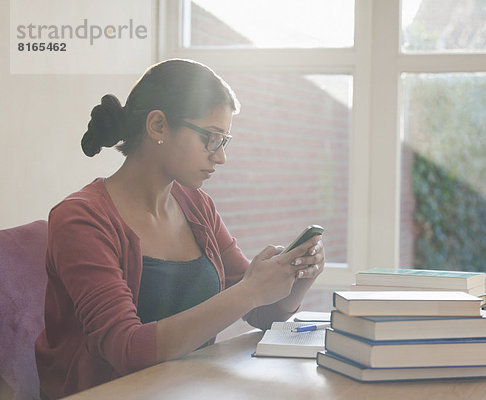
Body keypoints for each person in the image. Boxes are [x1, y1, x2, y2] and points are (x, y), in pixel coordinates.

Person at [35, 59, 325, 399]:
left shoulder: (197, 207)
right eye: (210, 138)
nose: (220, 157)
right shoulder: (80, 220)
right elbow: (127, 349)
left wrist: (296, 279)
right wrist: (251, 290)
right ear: (158, 125)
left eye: (224, 141)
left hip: (188, 389)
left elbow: (260, 312)